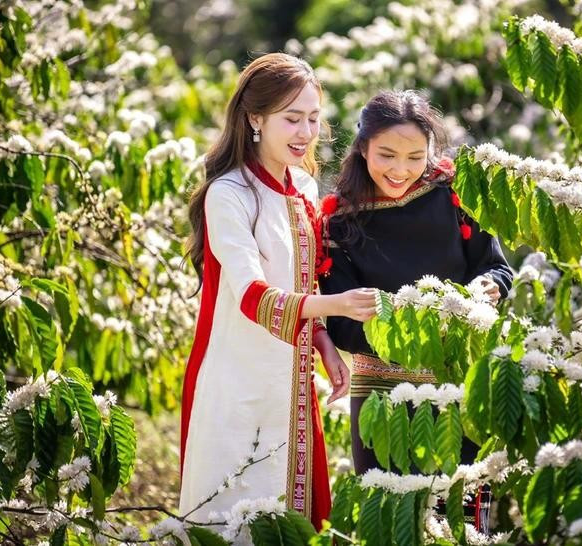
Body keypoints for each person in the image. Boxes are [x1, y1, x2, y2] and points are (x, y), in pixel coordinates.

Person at [178, 53, 377, 536]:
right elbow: (252, 295)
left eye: (313, 117)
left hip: (291, 379)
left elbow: (300, 282)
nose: (306, 132)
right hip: (236, 380)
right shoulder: (228, 194)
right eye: (292, 118)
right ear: (254, 119)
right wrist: (334, 306)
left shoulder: (304, 186)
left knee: (290, 517)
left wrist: (324, 340)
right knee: (234, 518)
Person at [318, 90, 513, 476]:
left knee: (461, 512)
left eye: (415, 157)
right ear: (362, 147)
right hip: (380, 393)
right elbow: (341, 322)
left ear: (430, 151)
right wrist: (418, 330)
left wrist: (490, 286)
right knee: (389, 514)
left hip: (459, 380)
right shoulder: (339, 221)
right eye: (386, 155)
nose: (400, 170)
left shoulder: (455, 194)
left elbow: (495, 267)